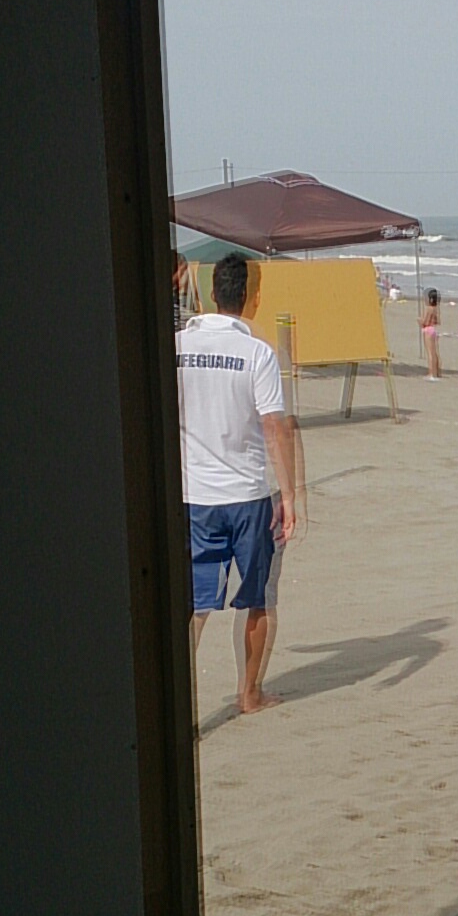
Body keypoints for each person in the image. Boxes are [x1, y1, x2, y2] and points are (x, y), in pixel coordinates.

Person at [177, 253, 299, 714]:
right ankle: (249, 693)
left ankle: (180, 700)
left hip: (194, 494)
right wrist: (289, 495)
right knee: (257, 598)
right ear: (250, 297)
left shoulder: (177, 346)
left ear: (212, 293)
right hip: (247, 494)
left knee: (195, 604)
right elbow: (273, 427)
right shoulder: (257, 353)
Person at [420, 286, 442, 378]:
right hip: (433, 330)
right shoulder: (436, 308)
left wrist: (419, 321)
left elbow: (425, 322)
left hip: (428, 330)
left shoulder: (429, 309)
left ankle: (431, 373)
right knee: (435, 352)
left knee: (430, 353)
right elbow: (437, 321)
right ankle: (437, 372)